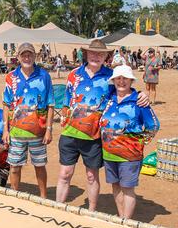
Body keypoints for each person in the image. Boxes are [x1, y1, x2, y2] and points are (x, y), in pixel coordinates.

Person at [56, 39, 149, 211]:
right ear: (86, 54)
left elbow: (125, 90)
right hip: (69, 134)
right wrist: (63, 115)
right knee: (64, 174)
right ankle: (58, 208)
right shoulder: (74, 75)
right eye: (92, 53)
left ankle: (91, 210)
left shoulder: (111, 77)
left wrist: (142, 93)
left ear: (106, 56)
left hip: (94, 137)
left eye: (100, 54)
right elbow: (66, 101)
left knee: (92, 176)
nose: (96, 56)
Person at [100, 65, 159, 218]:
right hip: (109, 154)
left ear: (131, 81)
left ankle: (126, 223)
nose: (121, 81)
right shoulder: (109, 98)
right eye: (118, 78)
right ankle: (122, 218)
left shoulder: (139, 101)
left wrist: (139, 142)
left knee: (127, 188)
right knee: (115, 186)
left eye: (125, 78)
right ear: (113, 80)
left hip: (130, 156)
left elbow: (153, 125)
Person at [2, 42, 54, 199]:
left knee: (39, 166)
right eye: (23, 54)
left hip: (38, 132)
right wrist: (5, 129)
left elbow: (51, 104)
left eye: (30, 54)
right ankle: (15, 196)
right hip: (16, 133)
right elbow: (6, 104)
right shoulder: (11, 77)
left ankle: (44, 197)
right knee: (15, 167)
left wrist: (49, 130)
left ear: (35, 56)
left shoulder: (44, 76)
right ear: (18, 57)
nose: (27, 57)